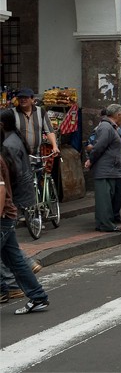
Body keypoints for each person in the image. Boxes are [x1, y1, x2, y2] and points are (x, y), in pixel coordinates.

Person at [1, 114, 50, 315]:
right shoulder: (6, 150)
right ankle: (37, 296)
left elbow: (1, 190)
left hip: (3, 217)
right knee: (15, 259)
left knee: (15, 259)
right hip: (7, 216)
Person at [13, 88, 62, 201]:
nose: (23, 100)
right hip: (18, 156)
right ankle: (25, 206)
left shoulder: (41, 112)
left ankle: (38, 205)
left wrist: (54, 146)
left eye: (26, 98)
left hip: (36, 155)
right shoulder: (12, 113)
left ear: (32, 99)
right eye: (20, 98)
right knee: (21, 183)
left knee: (36, 181)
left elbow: (49, 131)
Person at [85, 104, 121, 233]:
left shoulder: (111, 127)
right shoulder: (106, 127)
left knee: (108, 197)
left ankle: (104, 223)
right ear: (117, 115)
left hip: (110, 169)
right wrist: (91, 160)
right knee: (104, 198)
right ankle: (105, 224)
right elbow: (98, 147)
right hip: (106, 169)